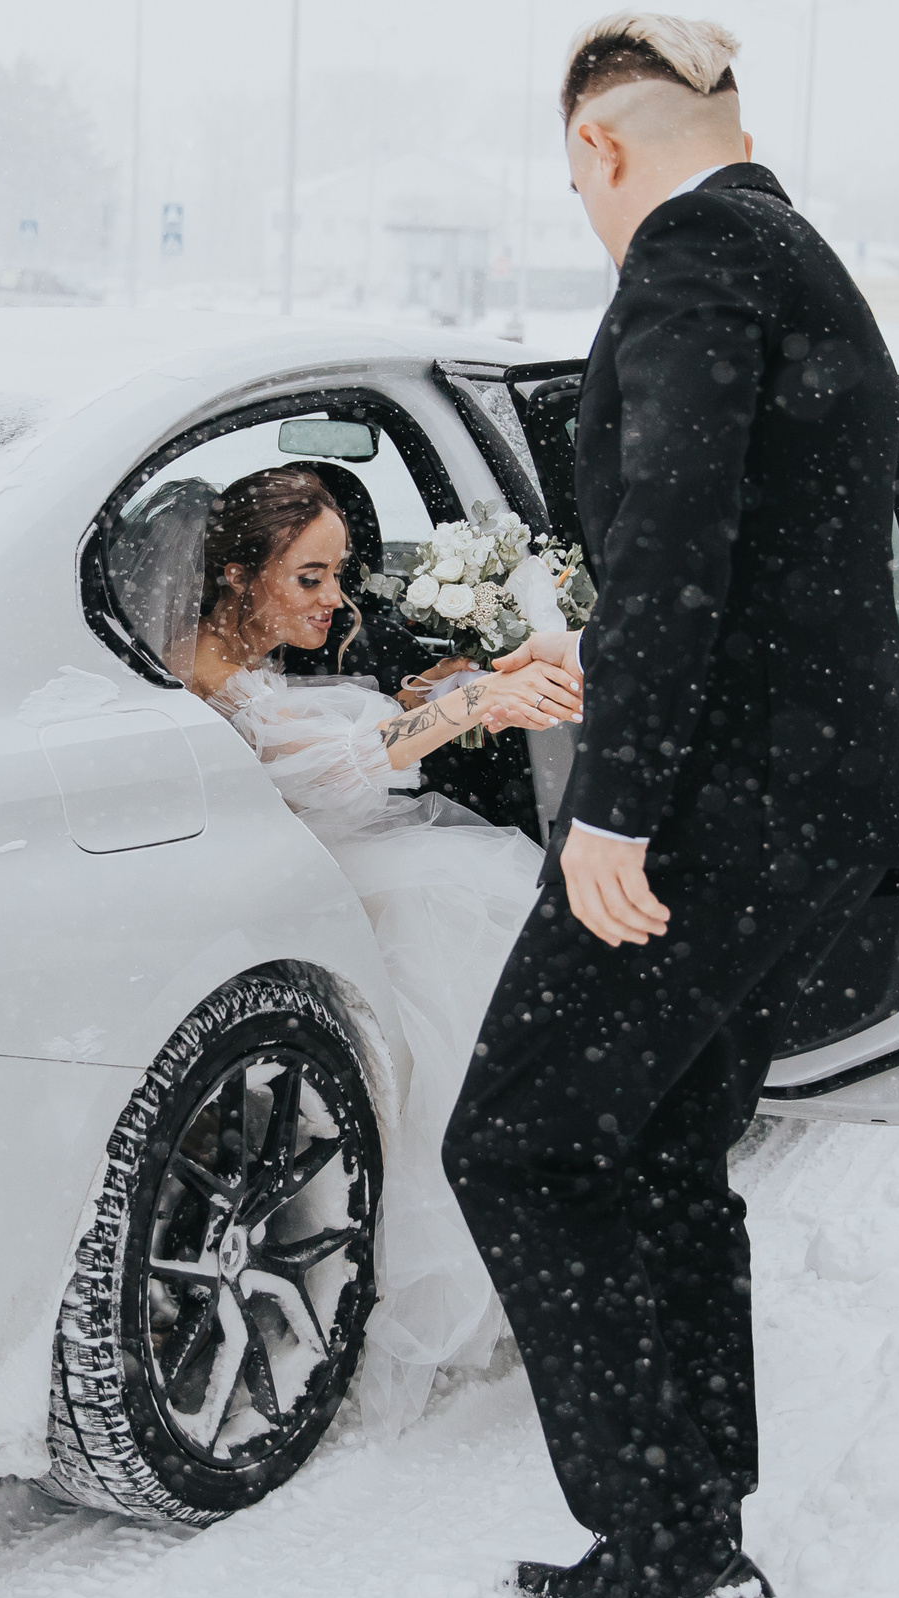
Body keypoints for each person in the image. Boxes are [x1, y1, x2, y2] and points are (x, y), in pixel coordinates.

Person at [442, 12, 899, 1598]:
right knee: (657, 1151)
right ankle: (688, 1532)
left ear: (598, 145)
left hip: (716, 811)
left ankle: (669, 1547)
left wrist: (617, 804)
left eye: (576, 182)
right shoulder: (796, 254)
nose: (590, 213)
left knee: (516, 1145)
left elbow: (674, 536)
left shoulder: (691, 255)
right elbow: (761, 547)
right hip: (799, 800)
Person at [185, 466, 584, 1428]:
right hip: (297, 886)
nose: (335, 598)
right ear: (237, 573)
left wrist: (436, 692)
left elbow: (321, 727)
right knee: (467, 912)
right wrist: (473, 704)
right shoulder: (196, 664)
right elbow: (325, 771)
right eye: (309, 577)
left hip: (323, 862)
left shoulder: (243, 650)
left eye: (338, 574)